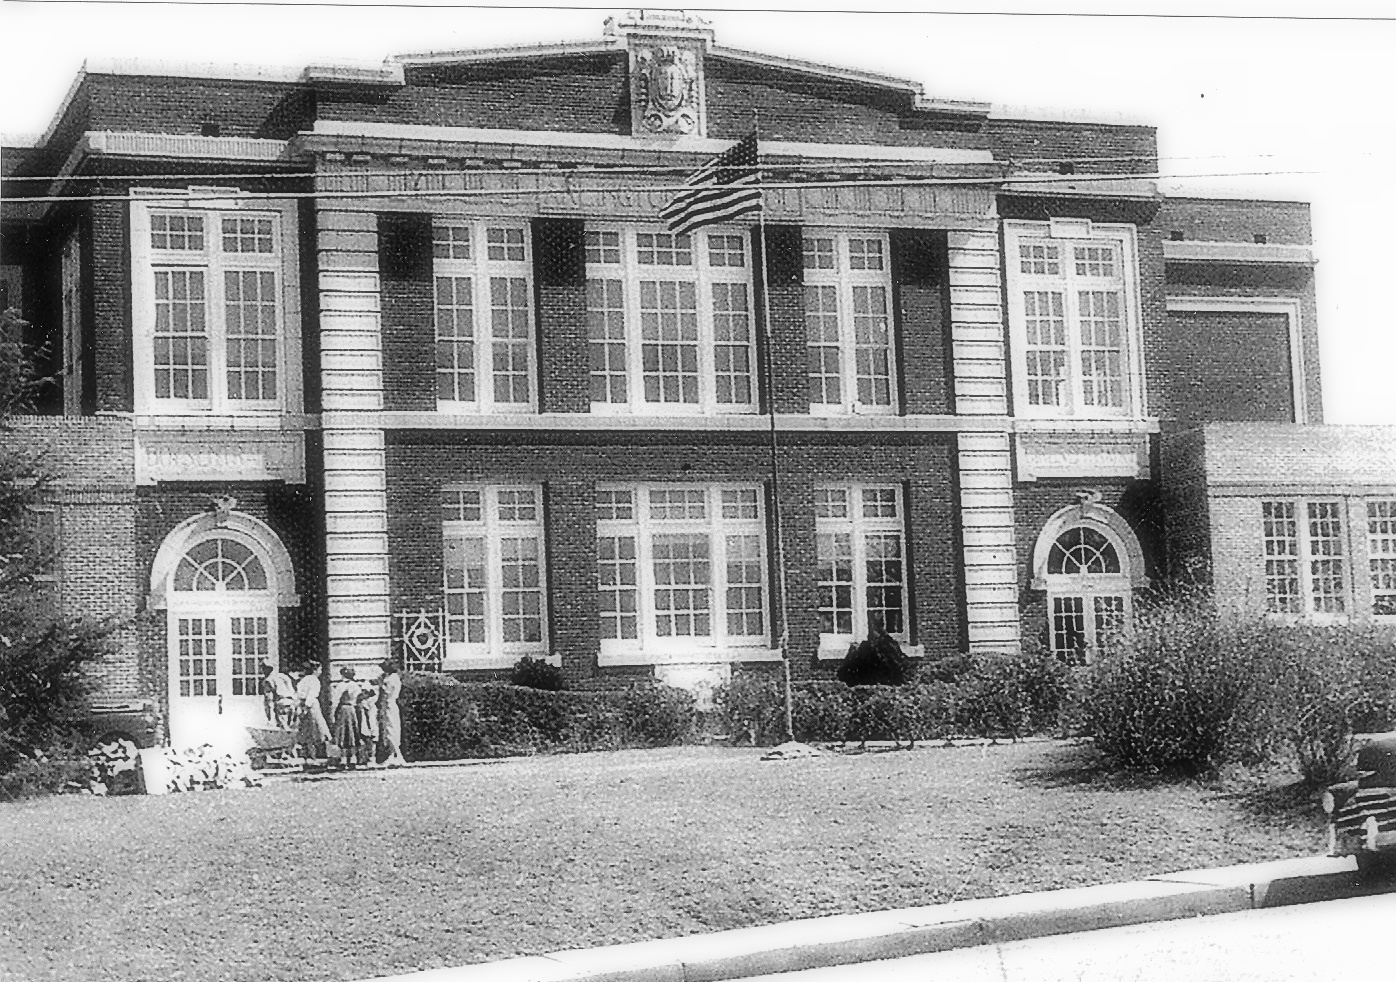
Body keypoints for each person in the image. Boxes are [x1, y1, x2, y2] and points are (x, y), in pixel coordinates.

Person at [294, 662, 331, 762]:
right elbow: (311, 695)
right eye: (319, 670)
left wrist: (300, 707)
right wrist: (306, 706)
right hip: (310, 706)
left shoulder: (303, 680)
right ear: (315, 670)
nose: (320, 672)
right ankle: (315, 755)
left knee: (307, 731)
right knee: (315, 729)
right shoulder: (314, 680)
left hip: (303, 705)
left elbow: (297, 695)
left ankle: (308, 755)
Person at [329, 667, 362, 769]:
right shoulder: (355, 685)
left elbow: (335, 700)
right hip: (352, 709)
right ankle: (352, 758)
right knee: (351, 733)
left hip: (343, 709)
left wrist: (332, 714)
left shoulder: (341, 685)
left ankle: (344, 759)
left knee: (343, 734)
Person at [376, 660, 406, 767]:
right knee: (387, 730)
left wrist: (381, 684)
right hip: (387, 705)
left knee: (391, 729)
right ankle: (392, 755)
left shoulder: (392, 678)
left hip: (390, 704)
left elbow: (388, 691)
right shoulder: (391, 677)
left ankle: (396, 755)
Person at [259, 662, 296, 729]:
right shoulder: (284, 676)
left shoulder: (268, 680)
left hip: (281, 704)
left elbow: (269, 700)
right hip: (292, 703)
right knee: (292, 728)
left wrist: (270, 720)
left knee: (284, 730)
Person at [355, 680, 380, 767]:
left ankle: (371, 758)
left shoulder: (372, 702)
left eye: (366, 692)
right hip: (364, 724)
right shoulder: (362, 702)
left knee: (372, 741)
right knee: (364, 741)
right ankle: (362, 758)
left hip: (371, 723)